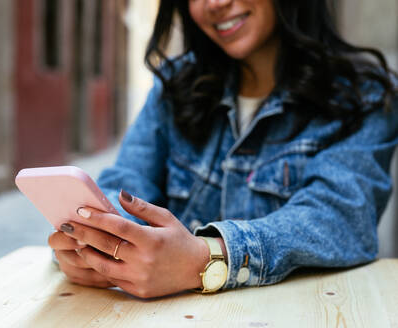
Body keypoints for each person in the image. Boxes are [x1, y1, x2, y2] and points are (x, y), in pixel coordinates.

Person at [48, 0, 398, 298]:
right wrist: (97, 245)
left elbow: (338, 217)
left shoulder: (364, 96)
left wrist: (208, 258)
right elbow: (126, 184)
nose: (214, 3)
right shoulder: (174, 87)